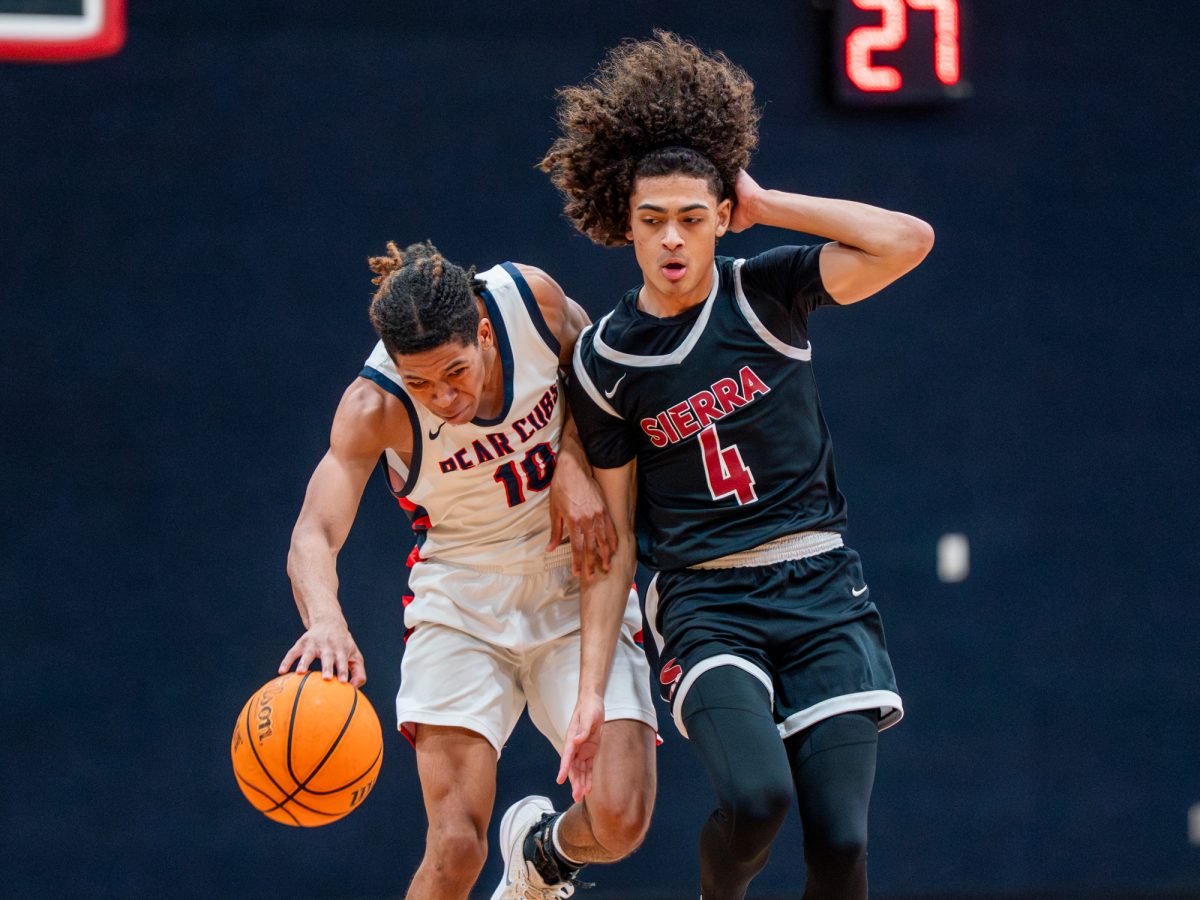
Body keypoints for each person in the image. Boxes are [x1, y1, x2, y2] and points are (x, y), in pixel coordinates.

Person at [541, 32, 934, 900]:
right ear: (625, 226)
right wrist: (593, 692)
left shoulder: (767, 290)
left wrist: (769, 200)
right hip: (705, 600)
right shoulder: (608, 361)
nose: (672, 239)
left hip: (820, 586)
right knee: (756, 801)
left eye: (693, 215)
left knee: (839, 839)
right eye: (652, 221)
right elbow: (609, 545)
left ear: (723, 215)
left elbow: (907, 240)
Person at [278, 240, 657, 900]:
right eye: (420, 383)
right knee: (455, 846)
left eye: (455, 372)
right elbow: (313, 533)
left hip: (573, 579)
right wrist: (327, 620)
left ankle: (543, 859)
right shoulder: (375, 407)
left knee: (622, 818)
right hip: (462, 603)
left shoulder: (531, 303)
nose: (444, 398)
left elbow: (605, 381)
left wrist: (571, 450)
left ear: (484, 332)